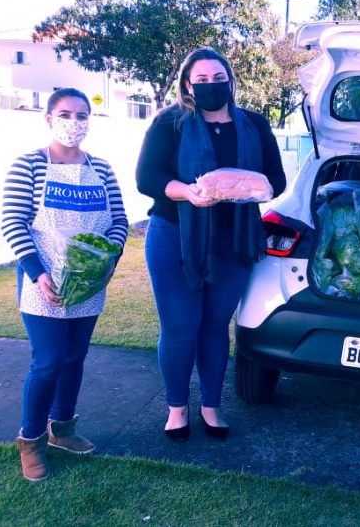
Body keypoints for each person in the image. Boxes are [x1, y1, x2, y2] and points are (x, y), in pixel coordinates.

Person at [135, 48, 287, 441]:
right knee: (181, 325)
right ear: (188, 84)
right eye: (200, 81)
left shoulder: (253, 124)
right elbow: (147, 178)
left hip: (233, 239)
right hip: (175, 235)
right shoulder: (170, 123)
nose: (210, 86)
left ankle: (211, 406)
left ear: (230, 80)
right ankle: (176, 407)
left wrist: (253, 187)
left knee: (217, 325)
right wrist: (187, 192)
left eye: (217, 78)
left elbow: (276, 180)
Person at [1, 88, 129, 481]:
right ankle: (32, 440)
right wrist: (37, 272)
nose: (74, 123)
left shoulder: (102, 169)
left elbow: (119, 220)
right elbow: (13, 222)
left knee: (75, 359)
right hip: (45, 284)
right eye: (65, 114)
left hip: (88, 284)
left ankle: (63, 429)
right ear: (48, 118)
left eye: (81, 115)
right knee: (49, 362)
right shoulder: (29, 166)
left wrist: (108, 258)